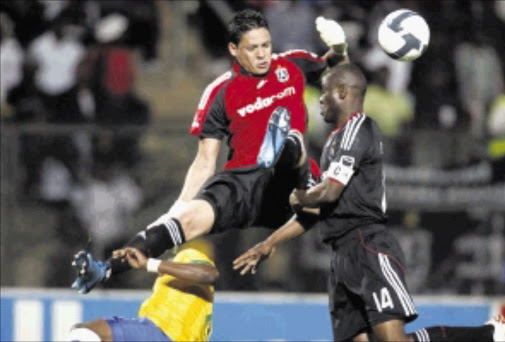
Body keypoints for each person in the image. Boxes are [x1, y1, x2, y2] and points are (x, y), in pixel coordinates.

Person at [71, 9, 350, 294]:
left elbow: (342, 72)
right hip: (240, 184)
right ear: (233, 49)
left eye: (266, 45)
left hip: (287, 188)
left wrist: (339, 48)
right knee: (183, 222)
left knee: (297, 156)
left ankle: (288, 147)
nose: (263, 54)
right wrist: (178, 207)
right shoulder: (220, 92)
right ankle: (103, 269)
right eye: (253, 48)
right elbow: (205, 161)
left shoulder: (291, 65)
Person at [233, 64, 505, 342]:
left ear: (342, 91)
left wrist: (297, 195)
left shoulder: (359, 129)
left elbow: (329, 192)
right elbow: (316, 210)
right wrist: (270, 242)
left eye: (325, 91)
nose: (319, 98)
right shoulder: (332, 143)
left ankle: (489, 334)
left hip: (368, 247)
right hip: (341, 258)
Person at [68, 246, 218, 342]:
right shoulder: (168, 278)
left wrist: (149, 263)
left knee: (85, 333)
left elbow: (208, 275)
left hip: (164, 334)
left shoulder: (188, 255)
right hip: (162, 333)